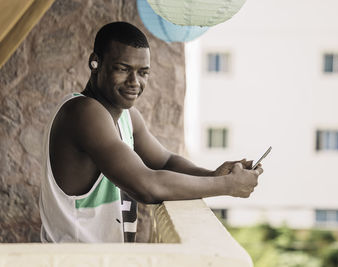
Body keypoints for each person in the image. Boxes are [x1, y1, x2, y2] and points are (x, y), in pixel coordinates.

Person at [39, 21, 263, 243]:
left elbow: (165, 161)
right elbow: (147, 186)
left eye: (143, 72)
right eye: (123, 69)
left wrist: (212, 175)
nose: (134, 82)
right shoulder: (83, 112)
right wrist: (227, 186)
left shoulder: (127, 116)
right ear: (95, 62)